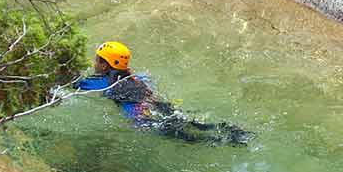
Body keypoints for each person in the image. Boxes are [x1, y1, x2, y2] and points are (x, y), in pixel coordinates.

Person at [75, 41, 249, 144]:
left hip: (140, 115)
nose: (94, 62)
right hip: (156, 103)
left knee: (182, 137)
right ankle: (227, 129)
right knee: (185, 121)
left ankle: (220, 142)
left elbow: (74, 84)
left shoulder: (100, 83)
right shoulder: (135, 77)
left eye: (97, 59)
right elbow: (149, 78)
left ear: (104, 65)